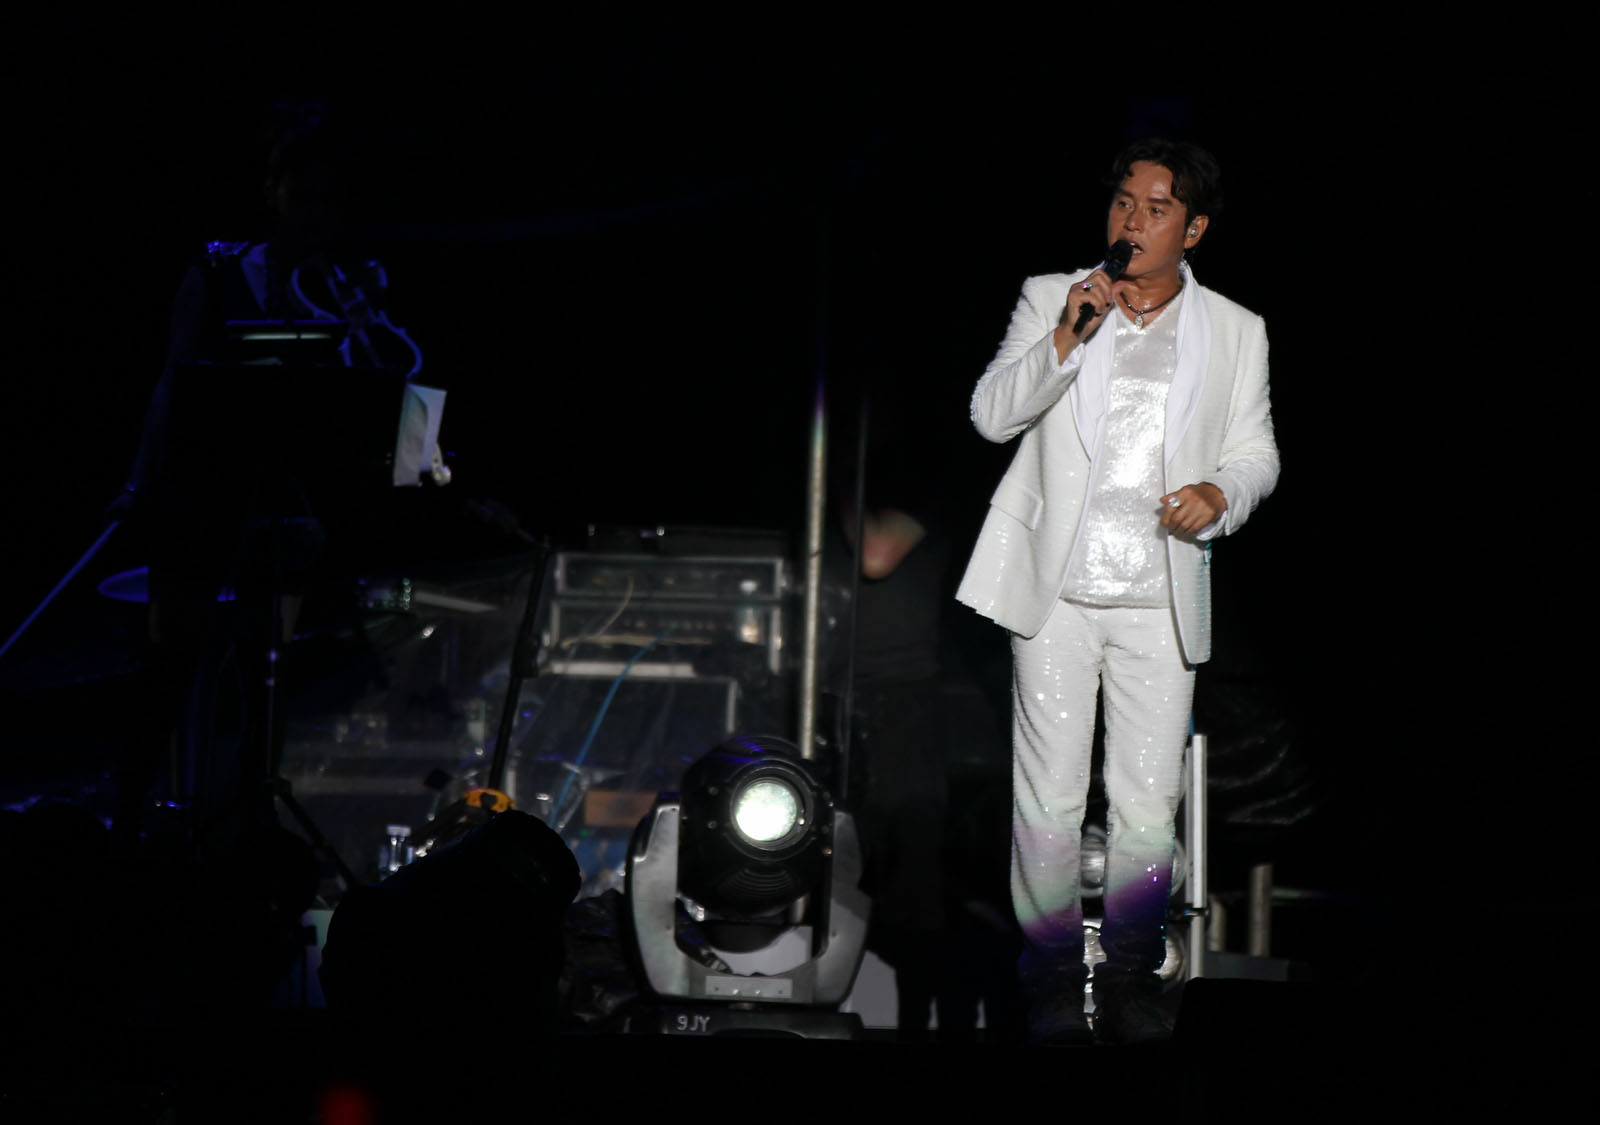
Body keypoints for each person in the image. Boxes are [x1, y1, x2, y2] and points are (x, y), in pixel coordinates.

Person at [955, 138, 1279, 1044]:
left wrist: (1222, 493)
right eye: (1123, 202)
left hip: (1158, 596)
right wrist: (1066, 335)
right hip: (1055, 590)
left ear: (1193, 229)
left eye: (1156, 208)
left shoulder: (1236, 329)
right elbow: (991, 416)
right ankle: (1053, 976)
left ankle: (1135, 975)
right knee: (1048, 800)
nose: (1132, 221)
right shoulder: (1052, 296)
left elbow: (1257, 452)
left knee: (1146, 805)